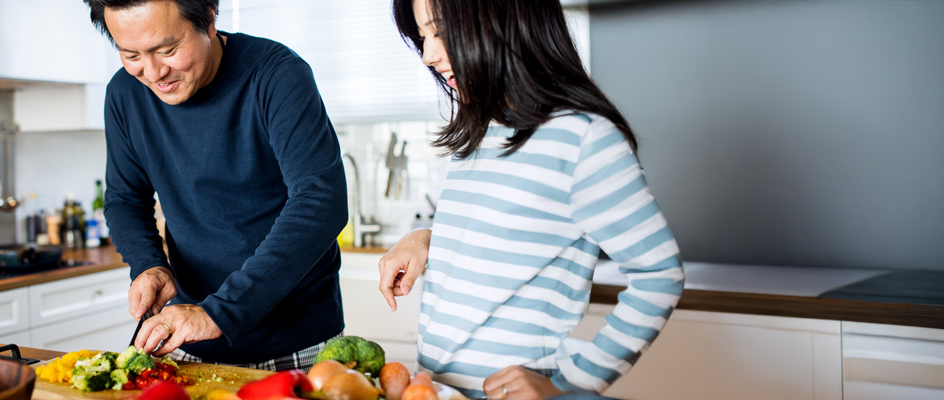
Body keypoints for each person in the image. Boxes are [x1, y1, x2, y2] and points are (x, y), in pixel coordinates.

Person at [378, 0, 687, 398]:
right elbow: (507, 241)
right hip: (437, 389)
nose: (428, 55)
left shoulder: (581, 137)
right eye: (422, 37)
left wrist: (571, 384)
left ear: (503, 20)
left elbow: (660, 275)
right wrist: (426, 238)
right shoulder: (477, 133)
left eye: (439, 31)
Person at [81, 0, 349, 370]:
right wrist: (148, 265)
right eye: (130, 54)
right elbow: (125, 199)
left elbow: (321, 201)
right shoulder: (125, 94)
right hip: (189, 337)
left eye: (167, 50)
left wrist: (220, 313)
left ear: (209, 19)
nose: (154, 72)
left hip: (296, 343)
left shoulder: (276, 74)